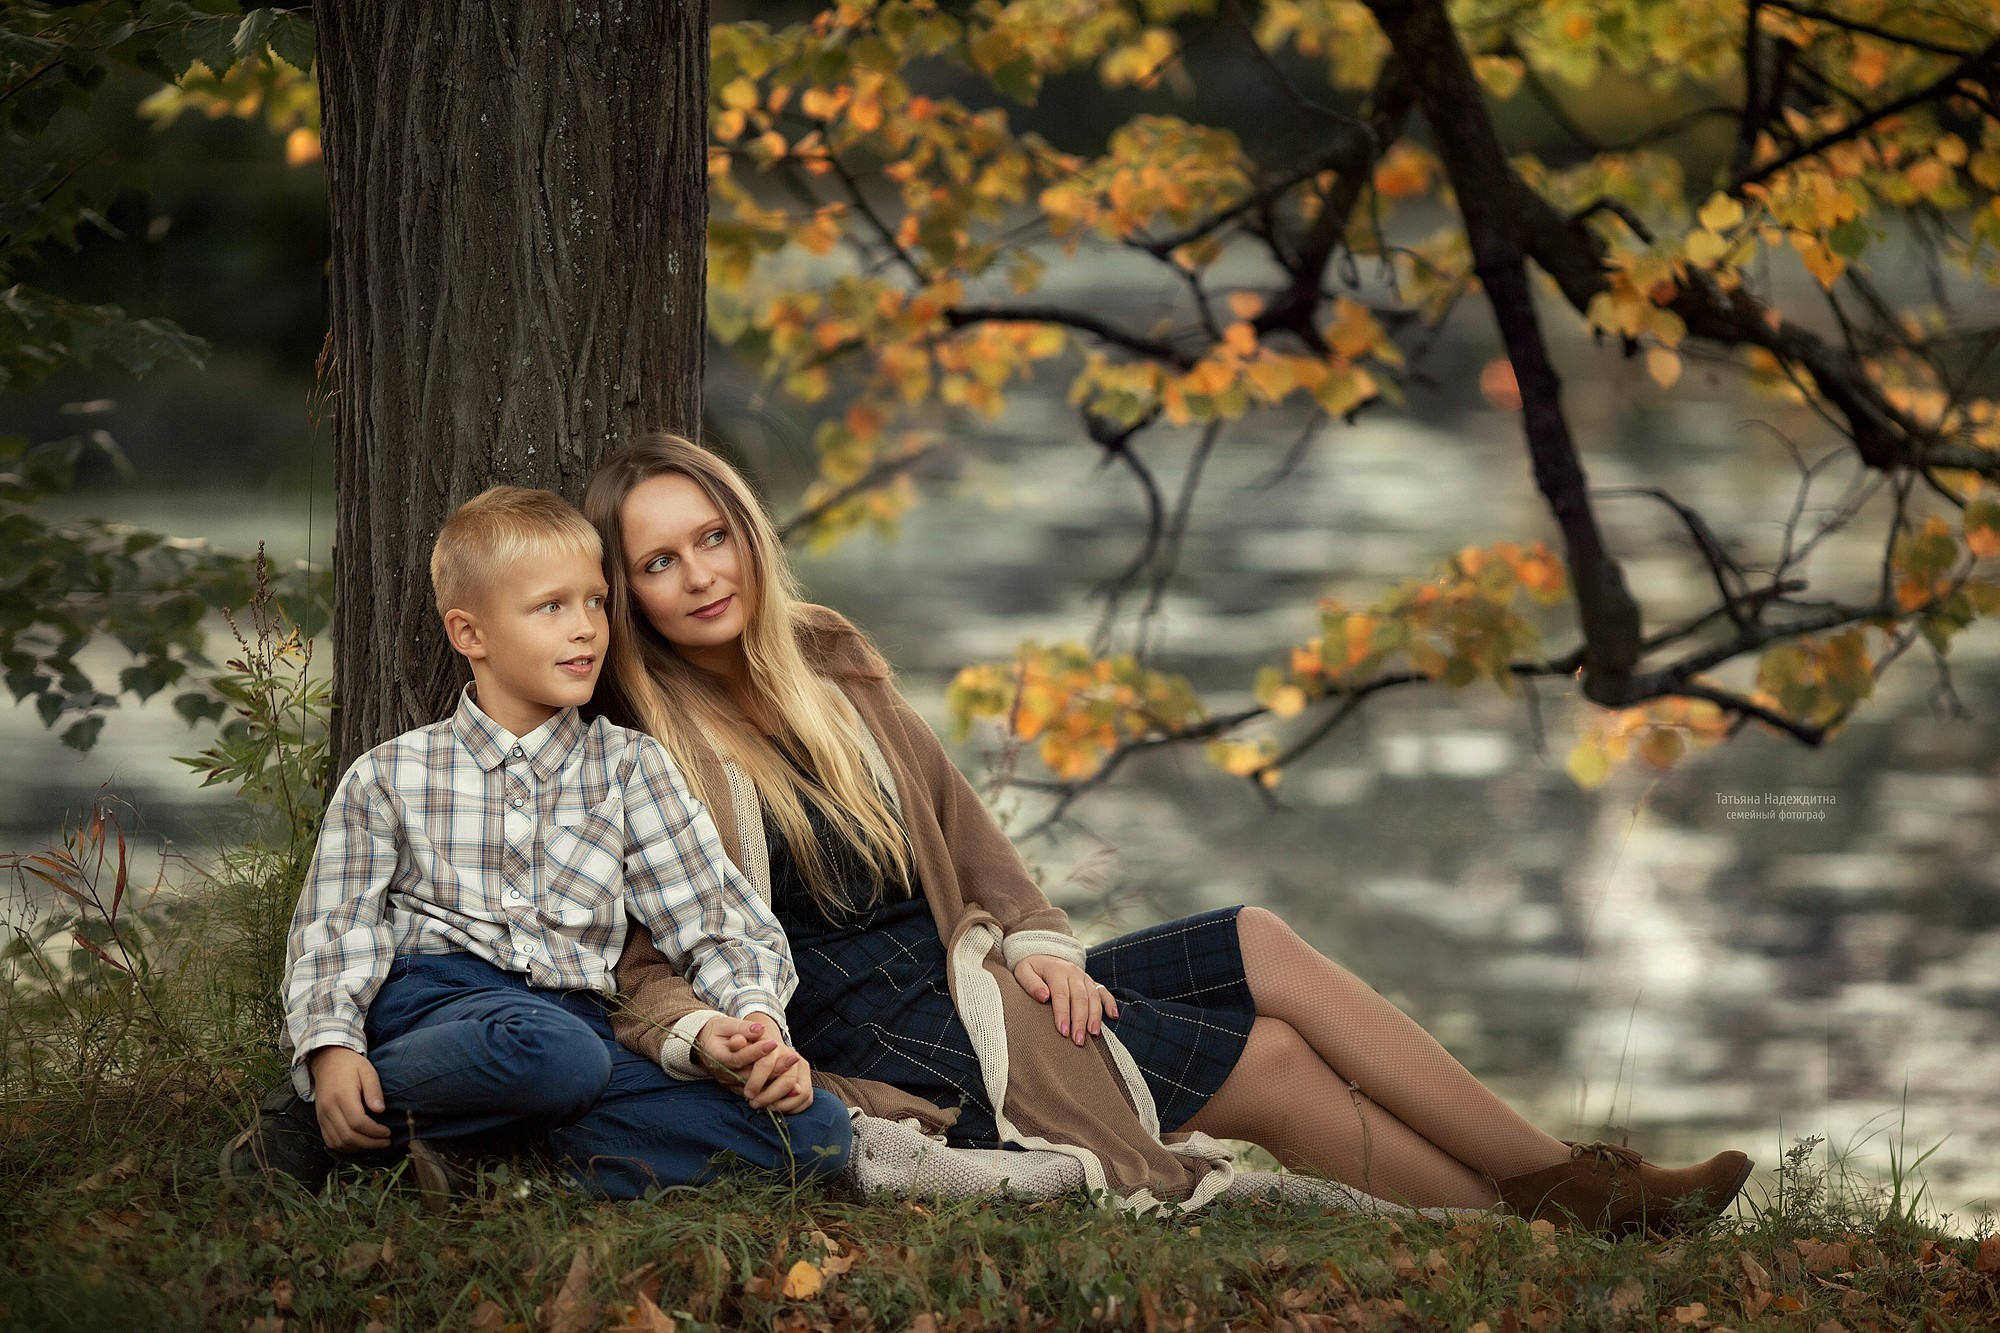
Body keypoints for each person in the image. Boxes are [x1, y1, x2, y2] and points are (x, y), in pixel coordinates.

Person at [584, 434, 1753, 1232]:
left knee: (1254, 935)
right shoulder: (642, 745)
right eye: (658, 561)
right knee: (1272, 1062)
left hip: (975, 981)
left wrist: (1044, 950)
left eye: (710, 537)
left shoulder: (826, 661)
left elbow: (980, 852)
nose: (698, 575)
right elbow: (635, 972)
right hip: (894, 1044)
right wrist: (706, 1035)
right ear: (628, 591)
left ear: (746, 533)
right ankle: (1532, 1221)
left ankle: (1562, 1188)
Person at [222, 485, 852, 1201]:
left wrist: (756, 1024)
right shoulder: (392, 775)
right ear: (470, 633)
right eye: (551, 606)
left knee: (820, 1134)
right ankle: (317, 1110)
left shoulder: (629, 768)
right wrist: (332, 1049)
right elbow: (336, 929)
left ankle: (492, 1158)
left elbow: (717, 920)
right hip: (435, 1006)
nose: (586, 627)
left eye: (594, 601)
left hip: (579, 1026)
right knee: (553, 1053)